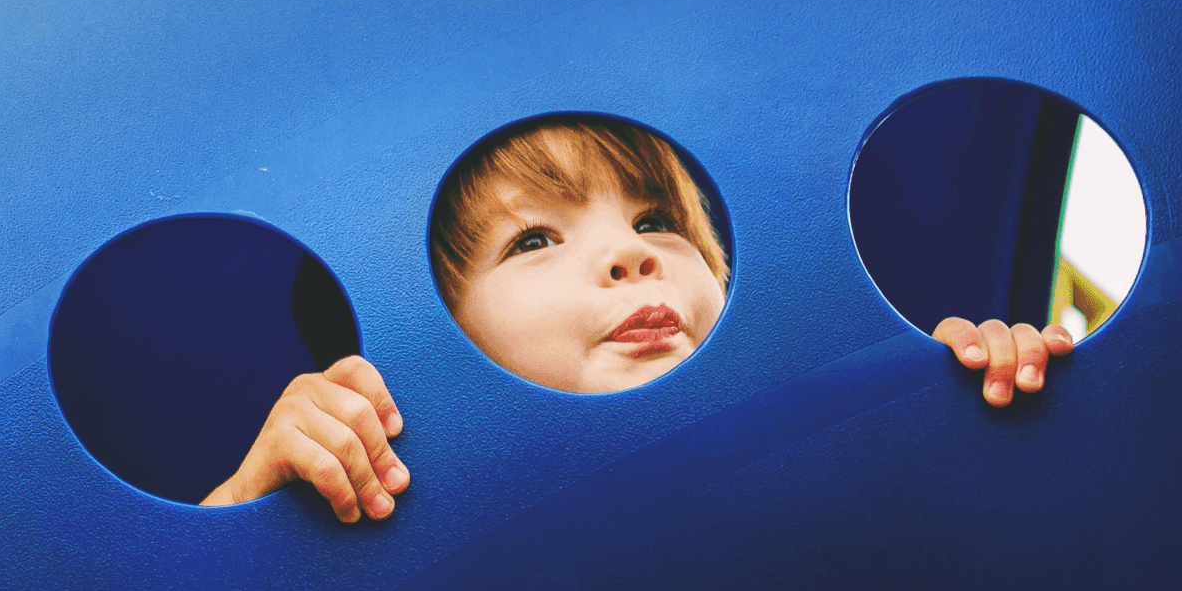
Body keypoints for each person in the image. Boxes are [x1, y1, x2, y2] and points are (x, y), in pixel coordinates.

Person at [200, 116, 1076, 524]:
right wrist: (255, 499)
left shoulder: (815, 438)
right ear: (429, 332)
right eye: (535, 237)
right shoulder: (400, 488)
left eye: (656, 221)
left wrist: (991, 394)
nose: (632, 255)